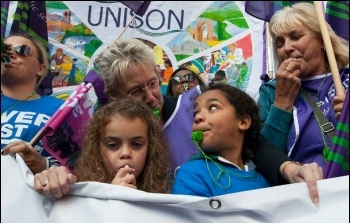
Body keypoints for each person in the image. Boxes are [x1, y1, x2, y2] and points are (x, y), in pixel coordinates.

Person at [36, 38, 322, 205]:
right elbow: (79, 180)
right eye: (136, 91)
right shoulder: (103, 132)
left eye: (153, 83)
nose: (151, 97)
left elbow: (249, 141)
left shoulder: (190, 108)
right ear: (112, 94)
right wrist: (45, 172)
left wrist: (287, 167)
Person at [258, 3, 349, 170]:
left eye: (296, 36)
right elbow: (264, 157)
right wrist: (283, 101)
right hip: (304, 190)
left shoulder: (346, 79)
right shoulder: (271, 92)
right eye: (279, 43)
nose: (287, 48)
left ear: (322, 40)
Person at [34, 98, 171, 197]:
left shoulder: (166, 193)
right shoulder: (80, 192)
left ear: (151, 148)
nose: (125, 153)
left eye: (136, 145)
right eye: (113, 145)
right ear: (97, 149)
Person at [172, 84, 270, 197]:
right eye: (196, 112)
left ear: (243, 122)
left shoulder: (263, 179)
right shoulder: (192, 173)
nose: (197, 117)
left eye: (213, 107)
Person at [1, 33, 64, 174]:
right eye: (5, 49)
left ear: (40, 69)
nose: (10, 54)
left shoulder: (62, 109)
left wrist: (44, 165)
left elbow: (79, 165)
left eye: (22, 50)